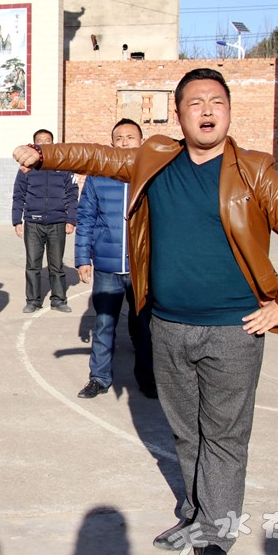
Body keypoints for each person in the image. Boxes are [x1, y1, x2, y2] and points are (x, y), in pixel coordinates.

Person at [13, 68, 278, 555]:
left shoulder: (254, 171)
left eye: (217, 101)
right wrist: (45, 154)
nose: (207, 110)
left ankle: (216, 535)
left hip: (234, 330)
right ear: (178, 115)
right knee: (185, 432)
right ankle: (195, 514)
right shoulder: (156, 159)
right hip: (168, 325)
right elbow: (100, 158)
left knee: (224, 436)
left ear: (228, 111)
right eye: (195, 102)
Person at [74, 119, 156, 400]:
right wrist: (82, 258)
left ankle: (148, 379)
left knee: (144, 325)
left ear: (141, 142)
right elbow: (85, 218)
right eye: (119, 138)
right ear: (112, 144)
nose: (124, 143)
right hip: (107, 267)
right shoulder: (98, 176)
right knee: (104, 324)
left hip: (141, 267)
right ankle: (99, 378)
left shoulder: (153, 175)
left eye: (130, 137)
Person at [12, 129, 78, 314]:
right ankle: (33, 301)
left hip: (58, 222)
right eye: (40, 141)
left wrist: (71, 219)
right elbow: (18, 194)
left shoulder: (63, 166)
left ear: (52, 144)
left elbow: (73, 194)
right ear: (34, 145)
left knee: (56, 265)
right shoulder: (27, 168)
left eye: (47, 140)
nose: (44, 143)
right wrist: (17, 220)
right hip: (33, 223)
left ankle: (58, 300)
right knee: (33, 265)